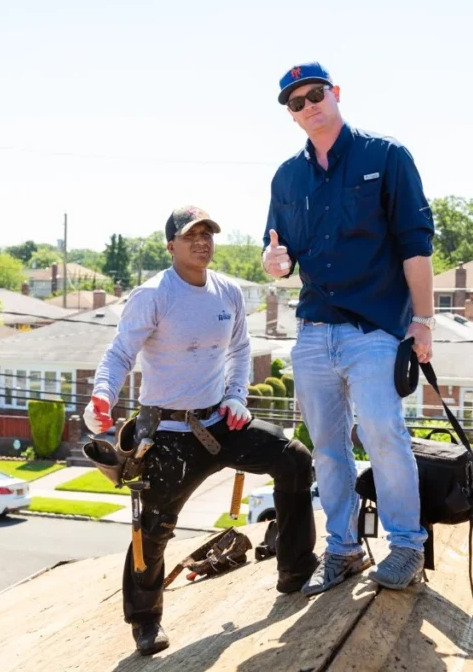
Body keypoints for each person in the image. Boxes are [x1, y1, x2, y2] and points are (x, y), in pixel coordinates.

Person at [84, 206, 318, 657]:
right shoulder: (153, 294)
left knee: (294, 459)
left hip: (221, 421)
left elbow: (241, 348)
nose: (202, 242)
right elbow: (119, 354)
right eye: (191, 235)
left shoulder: (227, 291)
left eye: (208, 233)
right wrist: (102, 395)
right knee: (151, 530)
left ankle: (295, 569)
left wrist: (236, 397)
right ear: (171, 245)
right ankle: (146, 622)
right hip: (169, 433)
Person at [261, 62, 436, 596]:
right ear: (290, 115)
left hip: (375, 328)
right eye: (296, 102)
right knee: (327, 448)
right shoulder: (287, 178)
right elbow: (280, 255)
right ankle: (342, 550)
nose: (309, 105)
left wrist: (423, 320)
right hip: (314, 330)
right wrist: (274, 263)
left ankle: (406, 545)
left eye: (316, 94)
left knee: (383, 432)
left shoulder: (386, 157)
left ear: (335, 93)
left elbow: (415, 244)